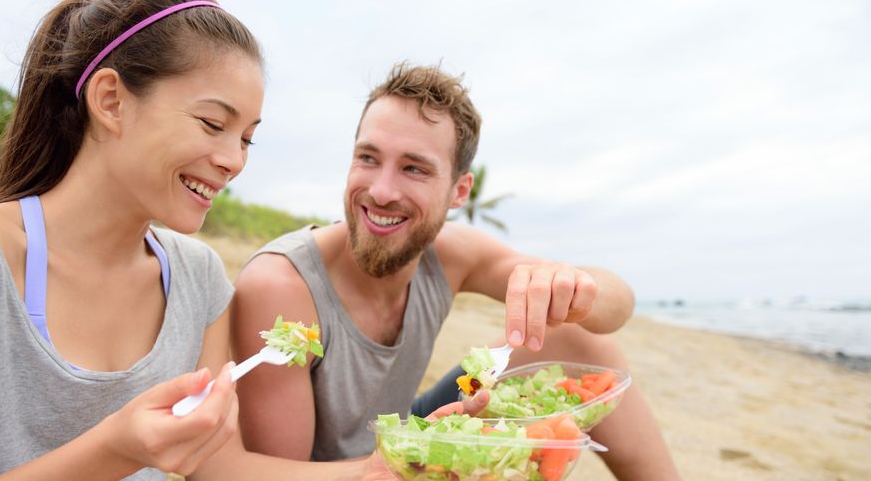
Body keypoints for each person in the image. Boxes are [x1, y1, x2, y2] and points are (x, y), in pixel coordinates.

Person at [0, 0, 393, 481]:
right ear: (111, 100)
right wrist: (116, 448)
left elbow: (221, 468)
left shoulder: (198, 277)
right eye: (213, 124)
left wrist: (387, 469)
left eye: (246, 138)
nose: (233, 161)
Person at [232, 63, 681, 480]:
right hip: (338, 473)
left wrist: (573, 286)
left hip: (408, 425)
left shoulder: (452, 252)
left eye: (414, 168)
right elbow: (278, 474)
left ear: (458, 191)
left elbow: (616, 303)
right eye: (368, 158)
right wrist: (410, 458)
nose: (382, 190)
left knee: (575, 330)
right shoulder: (282, 285)